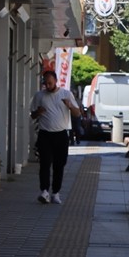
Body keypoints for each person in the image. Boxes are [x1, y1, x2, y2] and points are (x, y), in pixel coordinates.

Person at [29, 70, 80, 204]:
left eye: (50, 83)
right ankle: (44, 191)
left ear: (56, 81)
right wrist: (38, 113)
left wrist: (69, 106)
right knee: (45, 163)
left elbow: (77, 114)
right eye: (45, 83)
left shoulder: (66, 94)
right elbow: (32, 115)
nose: (48, 85)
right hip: (45, 134)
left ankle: (56, 192)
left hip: (61, 134)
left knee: (59, 164)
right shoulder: (39, 95)